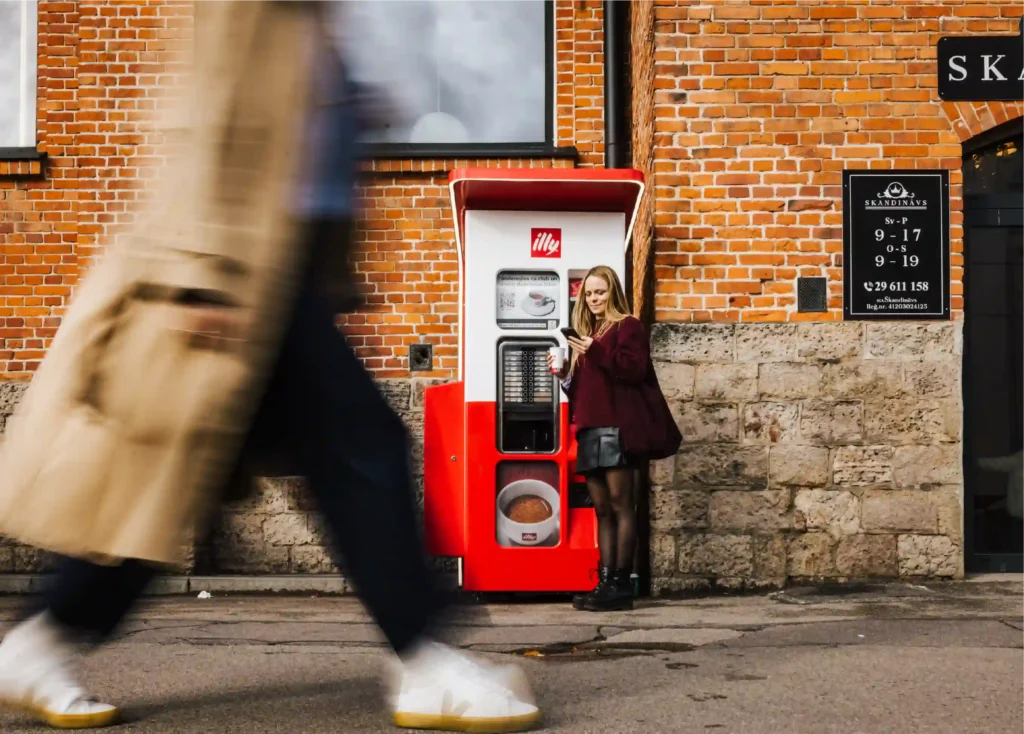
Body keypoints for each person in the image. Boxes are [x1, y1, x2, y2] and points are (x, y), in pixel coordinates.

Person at [0, 1, 540, 732]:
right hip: (240, 280)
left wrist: (338, 284)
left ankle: (41, 639)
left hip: (278, 279)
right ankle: (424, 660)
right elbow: (196, 119)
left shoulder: (311, 18)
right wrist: (200, 275)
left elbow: (307, 146)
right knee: (360, 451)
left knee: (183, 474)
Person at [548, 266, 666, 613]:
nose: (594, 299)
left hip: (618, 428)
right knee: (601, 510)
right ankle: (604, 581)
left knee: (620, 505)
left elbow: (634, 370)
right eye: (588, 294)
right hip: (590, 427)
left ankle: (620, 584)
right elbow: (586, 390)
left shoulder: (627, 325)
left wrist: (594, 350)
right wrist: (564, 374)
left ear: (612, 292)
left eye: (600, 292)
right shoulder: (590, 333)